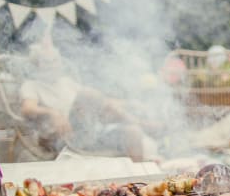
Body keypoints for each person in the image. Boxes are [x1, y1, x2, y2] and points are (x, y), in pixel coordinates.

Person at [19, 43, 160, 162]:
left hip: (86, 133)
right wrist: (52, 112)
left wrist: (129, 103)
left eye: (56, 60)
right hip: (60, 136)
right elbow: (27, 108)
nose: (54, 65)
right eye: (48, 61)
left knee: (132, 132)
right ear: (37, 65)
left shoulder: (66, 82)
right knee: (88, 94)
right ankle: (141, 123)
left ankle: (140, 180)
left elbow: (100, 101)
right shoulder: (32, 85)